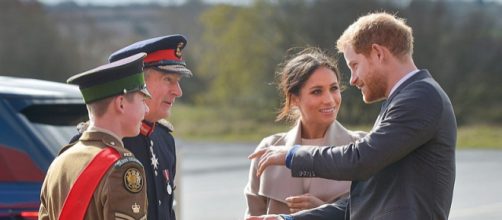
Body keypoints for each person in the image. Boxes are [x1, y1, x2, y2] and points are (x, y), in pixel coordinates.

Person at [248, 12, 457, 220]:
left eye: (354, 65)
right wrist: (288, 219)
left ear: (377, 53)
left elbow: (359, 159)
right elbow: (363, 203)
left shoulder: (420, 97)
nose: (353, 79)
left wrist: (292, 155)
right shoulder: (403, 100)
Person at [244, 48, 366, 218]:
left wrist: (323, 211)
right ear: (294, 99)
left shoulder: (362, 146)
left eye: (334, 88)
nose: (329, 99)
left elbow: (375, 213)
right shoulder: (268, 149)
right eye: (317, 91)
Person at [39, 53, 150, 220]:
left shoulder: (59, 162)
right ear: (121, 103)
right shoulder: (122, 168)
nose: (146, 110)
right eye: (143, 101)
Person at [107, 34, 193, 220]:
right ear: (138, 83)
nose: (178, 92)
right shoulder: (106, 143)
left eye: (178, 82)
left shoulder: (164, 139)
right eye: (168, 80)